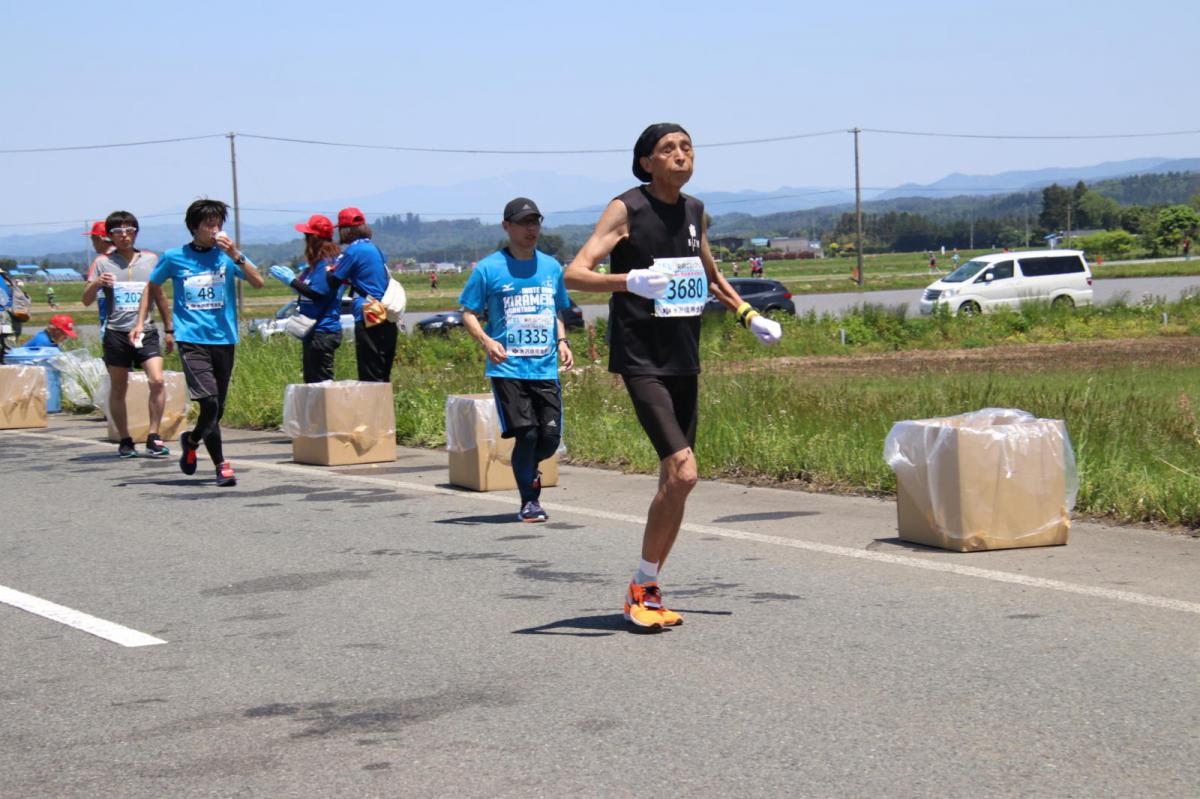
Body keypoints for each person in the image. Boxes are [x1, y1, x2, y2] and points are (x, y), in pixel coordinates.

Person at [564, 123, 782, 630]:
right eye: (668, 149)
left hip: (685, 357)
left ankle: (649, 587)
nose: (680, 155)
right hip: (642, 359)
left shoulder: (695, 211)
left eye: (687, 147)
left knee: (676, 483)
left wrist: (749, 315)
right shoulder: (627, 208)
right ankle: (641, 585)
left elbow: (708, 273)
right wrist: (628, 281)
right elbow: (573, 274)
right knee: (685, 470)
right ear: (646, 162)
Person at [130, 199, 265, 487]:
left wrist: (236, 253)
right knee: (210, 401)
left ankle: (191, 441)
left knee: (218, 409)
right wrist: (142, 322)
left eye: (218, 224)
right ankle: (221, 466)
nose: (214, 229)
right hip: (191, 339)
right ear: (194, 227)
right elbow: (152, 285)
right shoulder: (174, 257)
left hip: (225, 338)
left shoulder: (226, 256)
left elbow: (258, 282)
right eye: (208, 224)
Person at [459, 197, 574, 523]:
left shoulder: (551, 267)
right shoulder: (488, 269)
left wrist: (562, 340)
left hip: (544, 366)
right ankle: (530, 501)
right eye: (524, 223)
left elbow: (557, 310)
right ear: (507, 226)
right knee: (528, 434)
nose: (531, 229)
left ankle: (526, 464)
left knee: (549, 440)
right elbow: (468, 312)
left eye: (535, 222)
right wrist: (486, 340)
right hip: (508, 366)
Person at [81, 210, 174, 458]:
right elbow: (86, 300)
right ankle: (125, 439)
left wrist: (169, 329)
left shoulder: (151, 259)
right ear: (110, 236)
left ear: (136, 232)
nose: (124, 236)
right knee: (119, 387)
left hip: (148, 330)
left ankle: (154, 436)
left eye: (129, 230)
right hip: (116, 332)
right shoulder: (102, 262)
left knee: (157, 380)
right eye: (118, 232)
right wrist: (98, 282)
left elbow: (160, 296)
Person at [267, 215, 345, 383]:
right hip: (313, 332)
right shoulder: (317, 265)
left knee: (321, 384)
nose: (305, 240)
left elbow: (317, 293)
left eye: (307, 236)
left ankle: (326, 410)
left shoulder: (326, 263)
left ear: (315, 239)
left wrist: (291, 281)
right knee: (312, 382)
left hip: (322, 332)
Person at [330, 207, 397, 382]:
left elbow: (334, 280)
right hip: (384, 311)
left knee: (369, 370)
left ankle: (371, 407)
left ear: (345, 230)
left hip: (368, 312)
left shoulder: (353, 251)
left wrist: (328, 269)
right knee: (383, 370)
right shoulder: (374, 248)